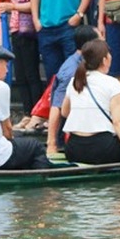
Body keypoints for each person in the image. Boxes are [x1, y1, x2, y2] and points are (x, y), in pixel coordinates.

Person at [61, 39, 120, 167]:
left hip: (73, 150)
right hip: (102, 151)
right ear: (104, 60)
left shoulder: (74, 81)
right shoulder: (112, 83)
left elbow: (65, 112)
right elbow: (118, 122)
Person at [44, 25, 100, 154]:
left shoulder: (88, 63)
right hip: (70, 137)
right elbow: (56, 107)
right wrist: (52, 144)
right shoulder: (71, 71)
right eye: (100, 40)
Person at [2, 0, 44, 122]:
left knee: (31, 72)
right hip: (15, 30)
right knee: (20, 74)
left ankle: (36, 112)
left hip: (30, 32)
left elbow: (34, 5)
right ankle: (27, 113)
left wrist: (13, 7)